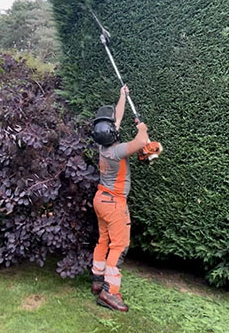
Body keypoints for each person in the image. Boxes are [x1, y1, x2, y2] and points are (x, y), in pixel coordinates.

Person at [90, 85, 149, 312]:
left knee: (103, 241)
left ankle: (97, 280)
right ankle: (110, 292)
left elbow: (116, 119)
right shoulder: (118, 151)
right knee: (120, 245)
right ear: (112, 133)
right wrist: (142, 127)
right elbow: (142, 141)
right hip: (114, 204)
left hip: (100, 200)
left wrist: (122, 97)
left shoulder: (102, 144)